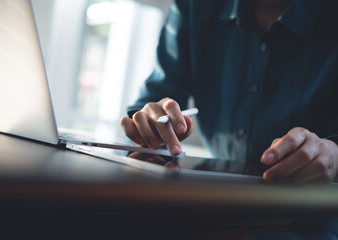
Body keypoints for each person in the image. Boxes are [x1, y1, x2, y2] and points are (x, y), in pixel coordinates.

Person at [121, 0, 338, 186]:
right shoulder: (193, 6)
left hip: (310, 215)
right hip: (209, 204)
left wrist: (332, 153)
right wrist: (151, 124)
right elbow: (158, 94)